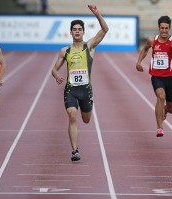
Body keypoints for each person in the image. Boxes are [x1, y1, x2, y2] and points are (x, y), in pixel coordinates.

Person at [51, 4, 108, 161]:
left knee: (86, 119)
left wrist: (97, 14)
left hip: (85, 90)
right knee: (72, 115)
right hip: (70, 89)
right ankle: (75, 150)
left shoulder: (89, 46)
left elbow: (104, 30)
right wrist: (56, 76)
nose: (77, 31)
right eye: (74, 29)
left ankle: (87, 109)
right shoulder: (65, 51)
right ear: (71, 32)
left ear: (83, 32)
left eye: (79, 29)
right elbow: (54, 69)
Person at [135, 16, 172, 137]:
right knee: (161, 96)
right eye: (162, 28)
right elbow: (144, 49)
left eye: (166, 28)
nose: (164, 31)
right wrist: (138, 62)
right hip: (157, 77)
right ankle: (159, 128)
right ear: (158, 28)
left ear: (170, 28)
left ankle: (164, 110)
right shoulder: (152, 40)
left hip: (171, 78)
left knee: (171, 109)